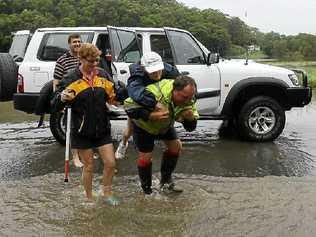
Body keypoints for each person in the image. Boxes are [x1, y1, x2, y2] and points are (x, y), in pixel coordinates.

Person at [53, 43, 119, 205]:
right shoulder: (71, 78)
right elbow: (54, 104)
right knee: (89, 166)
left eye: (97, 60)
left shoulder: (103, 75)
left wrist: (120, 99)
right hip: (82, 131)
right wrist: (61, 98)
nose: (95, 64)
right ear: (81, 59)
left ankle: (106, 192)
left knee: (110, 163)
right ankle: (89, 198)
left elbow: (114, 97)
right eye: (91, 61)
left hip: (102, 128)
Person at [124, 75, 199, 195]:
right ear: (174, 90)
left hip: (164, 125)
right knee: (145, 158)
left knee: (176, 147)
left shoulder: (188, 100)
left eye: (190, 97)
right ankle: (147, 190)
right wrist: (150, 116)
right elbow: (128, 106)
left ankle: (166, 182)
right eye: (184, 97)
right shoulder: (155, 94)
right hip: (144, 126)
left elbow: (191, 128)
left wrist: (190, 119)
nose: (187, 101)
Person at [115, 51, 179, 159]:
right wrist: (154, 104)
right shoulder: (137, 76)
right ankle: (123, 143)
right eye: (152, 71)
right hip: (140, 105)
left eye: (158, 69)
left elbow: (183, 83)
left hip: (162, 103)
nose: (156, 73)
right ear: (144, 68)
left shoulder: (169, 70)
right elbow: (134, 96)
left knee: (173, 142)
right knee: (129, 131)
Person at [53, 34, 84, 168]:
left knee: (86, 126)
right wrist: (59, 100)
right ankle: (75, 157)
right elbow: (56, 81)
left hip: (85, 97)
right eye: (74, 42)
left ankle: (85, 152)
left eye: (79, 41)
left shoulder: (84, 56)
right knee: (72, 128)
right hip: (70, 98)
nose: (77, 44)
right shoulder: (62, 60)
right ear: (69, 44)